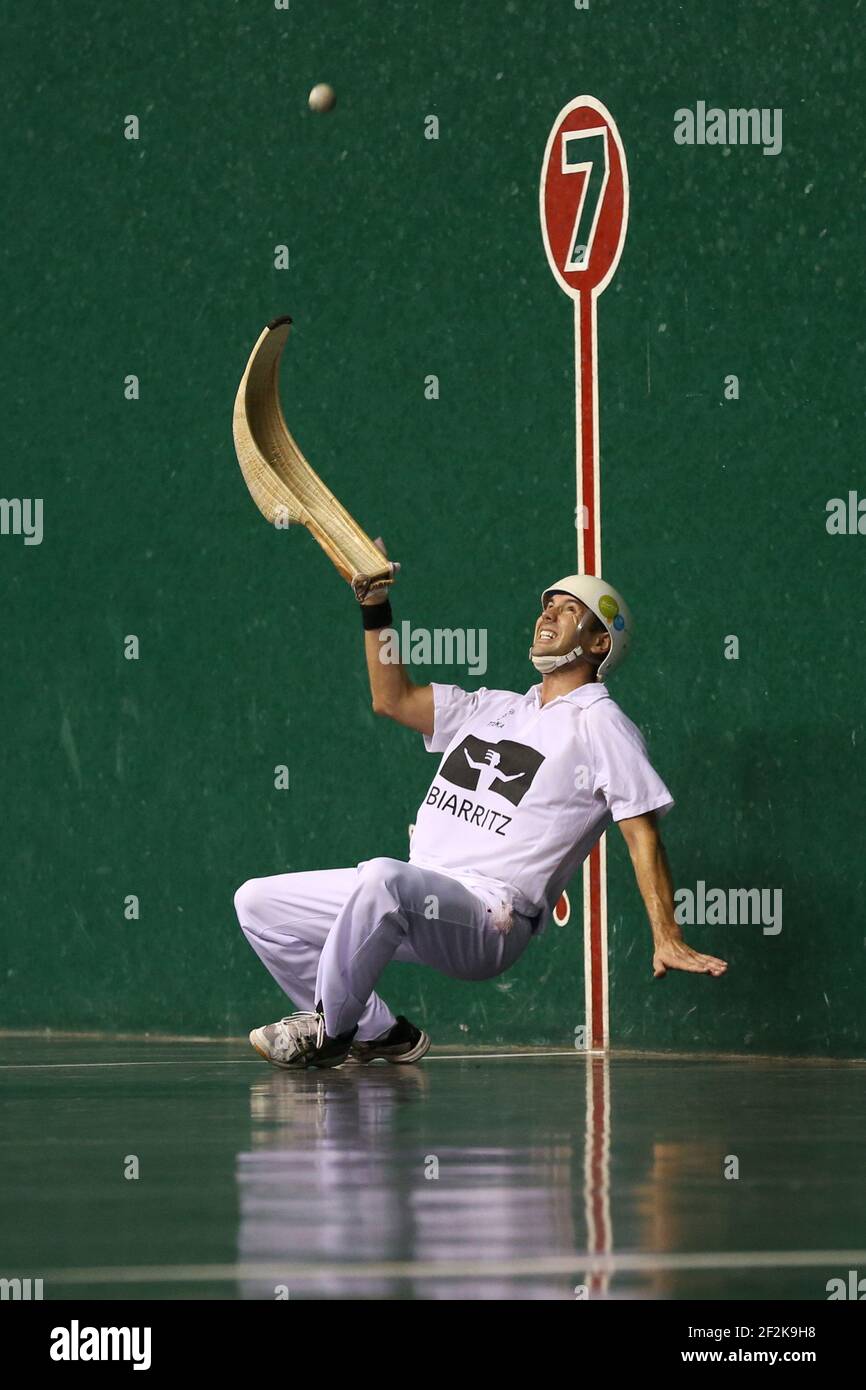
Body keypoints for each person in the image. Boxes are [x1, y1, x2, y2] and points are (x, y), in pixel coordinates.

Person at [234, 546, 727, 1069]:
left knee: (382, 878)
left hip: (489, 918)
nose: (549, 614)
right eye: (547, 605)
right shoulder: (492, 707)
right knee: (258, 905)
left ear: (600, 641)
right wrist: (375, 606)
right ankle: (378, 1033)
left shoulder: (600, 723)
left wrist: (667, 934)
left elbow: (641, 831)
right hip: (417, 899)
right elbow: (393, 699)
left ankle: (330, 1031)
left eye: (568, 609)